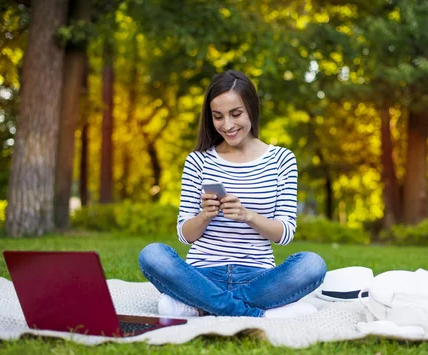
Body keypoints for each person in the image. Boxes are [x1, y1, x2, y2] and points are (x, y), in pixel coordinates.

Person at [138, 70, 327, 318]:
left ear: (251, 108)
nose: (227, 125)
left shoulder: (282, 160)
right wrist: (204, 216)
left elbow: (285, 234)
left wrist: (248, 216)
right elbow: (185, 235)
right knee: (152, 254)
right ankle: (253, 313)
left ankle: (200, 306)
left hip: (258, 278)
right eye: (218, 117)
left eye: (235, 114)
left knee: (313, 264)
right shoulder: (198, 160)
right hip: (201, 276)